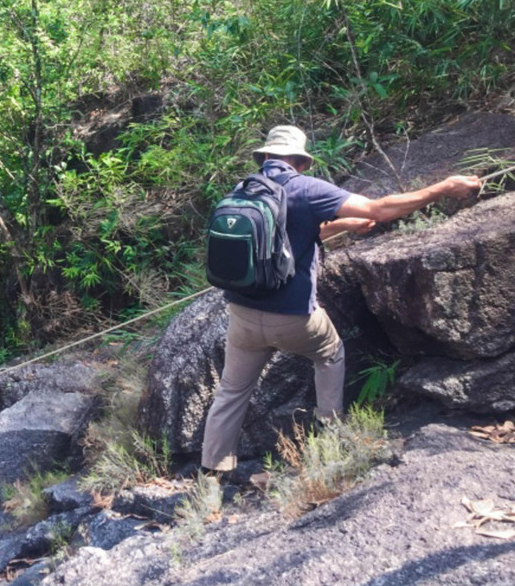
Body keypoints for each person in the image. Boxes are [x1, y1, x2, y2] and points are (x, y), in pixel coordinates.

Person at [200, 125, 480, 475]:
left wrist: (344, 224)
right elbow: (378, 209)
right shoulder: (307, 188)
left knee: (231, 391)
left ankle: (211, 475)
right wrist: (444, 188)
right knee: (330, 354)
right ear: (301, 162)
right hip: (293, 318)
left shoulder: (243, 190)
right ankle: (330, 437)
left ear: (266, 156)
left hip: (241, 315)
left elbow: (289, 231)